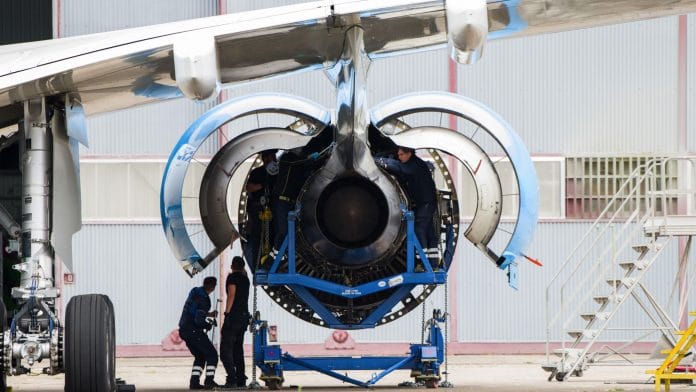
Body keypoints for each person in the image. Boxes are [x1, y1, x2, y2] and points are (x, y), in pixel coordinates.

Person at [376, 146, 440, 268]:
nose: (399, 158)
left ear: (409, 153)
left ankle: (423, 263)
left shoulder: (414, 165)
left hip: (425, 203)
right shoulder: (416, 163)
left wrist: (381, 162)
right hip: (427, 203)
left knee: (418, 229)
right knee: (430, 232)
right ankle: (433, 263)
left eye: (401, 155)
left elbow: (400, 168)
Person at [179, 277, 219, 390]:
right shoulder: (204, 299)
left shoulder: (195, 292)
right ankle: (209, 381)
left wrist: (209, 314)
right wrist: (208, 325)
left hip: (184, 330)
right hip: (193, 331)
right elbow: (198, 320)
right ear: (213, 287)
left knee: (200, 356)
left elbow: (195, 311)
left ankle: (194, 383)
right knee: (212, 355)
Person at [220, 256, 251, 388]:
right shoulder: (245, 279)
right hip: (243, 318)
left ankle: (231, 379)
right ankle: (241, 379)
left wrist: (227, 313)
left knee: (225, 350)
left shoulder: (232, 278)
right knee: (238, 349)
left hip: (234, 318)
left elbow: (232, 294)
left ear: (233, 266)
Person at [244, 149, 278, 267]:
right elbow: (249, 187)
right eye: (271, 156)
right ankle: (258, 265)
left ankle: (271, 264)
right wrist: (264, 185)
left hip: (274, 209)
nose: (274, 158)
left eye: (274, 155)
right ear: (265, 158)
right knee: (258, 238)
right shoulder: (257, 173)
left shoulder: (278, 172)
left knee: (274, 236)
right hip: (258, 209)